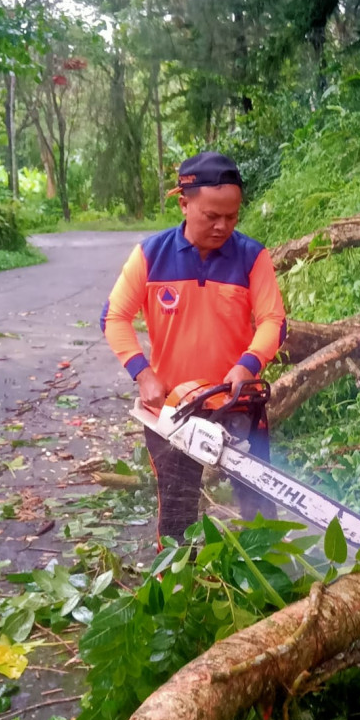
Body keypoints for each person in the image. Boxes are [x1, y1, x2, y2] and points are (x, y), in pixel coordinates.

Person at [102, 151, 287, 545]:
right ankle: (178, 585)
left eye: (232, 217)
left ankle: (270, 571)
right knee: (177, 507)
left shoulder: (252, 257)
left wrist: (247, 364)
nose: (222, 226)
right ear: (184, 204)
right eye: (211, 216)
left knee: (258, 502)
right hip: (173, 405)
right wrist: (143, 374)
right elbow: (114, 317)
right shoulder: (151, 256)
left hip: (237, 399)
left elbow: (274, 321)